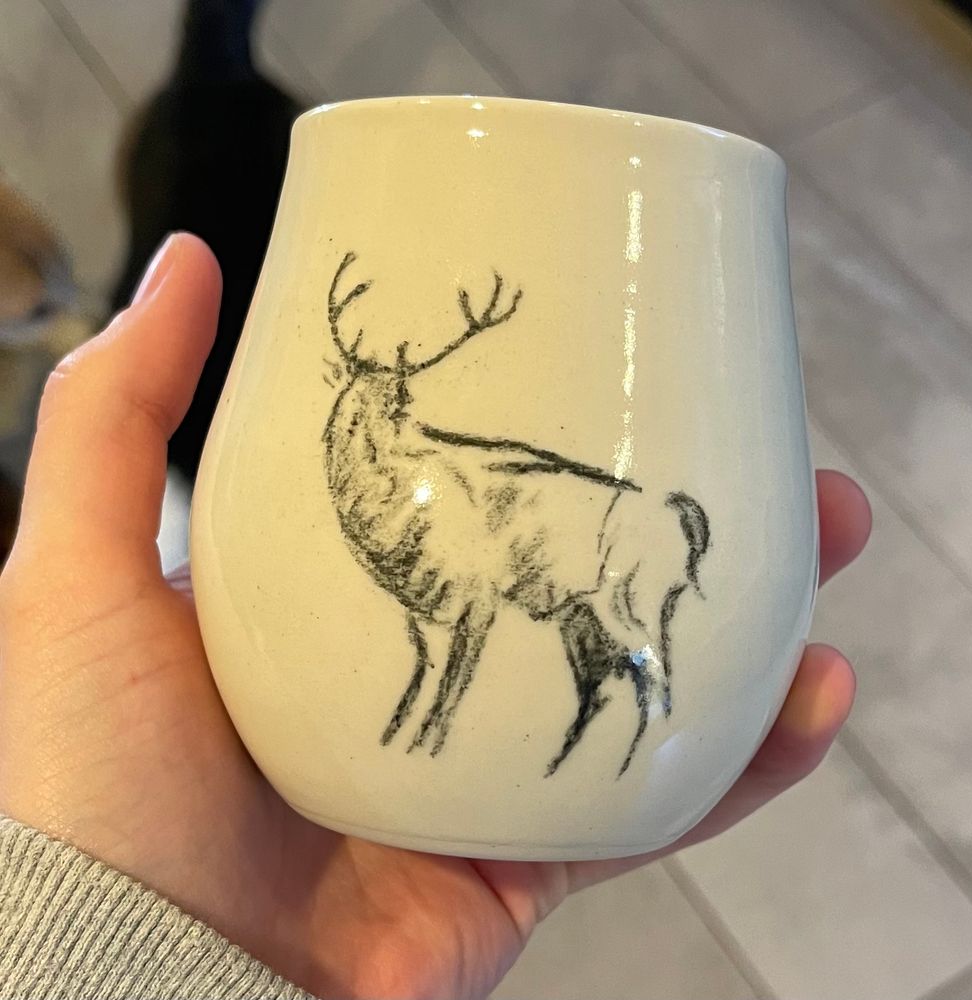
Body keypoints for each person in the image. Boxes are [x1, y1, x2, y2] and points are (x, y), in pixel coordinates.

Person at [0, 234, 872, 1000]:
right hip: (322, 879)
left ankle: (620, 729)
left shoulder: (532, 505)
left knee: (623, 648)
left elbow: (476, 607)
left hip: (609, 539)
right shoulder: (393, 471)